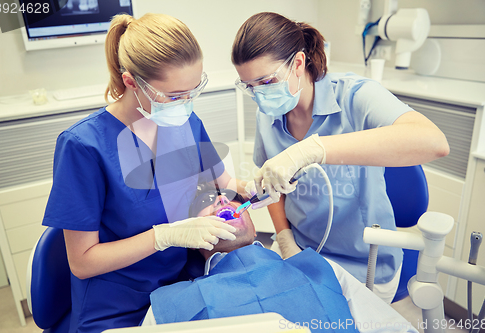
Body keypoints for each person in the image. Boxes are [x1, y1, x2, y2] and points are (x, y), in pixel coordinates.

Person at [42, 13, 248, 333]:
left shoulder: (185, 122)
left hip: (182, 283)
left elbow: (224, 184)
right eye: (175, 96)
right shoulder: (83, 147)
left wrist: (255, 186)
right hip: (118, 306)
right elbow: (82, 263)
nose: (187, 104)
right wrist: (163, 236)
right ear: (131, 82)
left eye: (195, 90)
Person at [231, 12, 450, 303]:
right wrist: (284, 240)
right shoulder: (267, 114)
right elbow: (276, 189)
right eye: (250, 87)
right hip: (299, 249)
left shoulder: (354, 96)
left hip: (365, 263)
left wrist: (311, 150)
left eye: (266, 81)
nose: (259, 95)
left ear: (297, 63)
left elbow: (434, 142)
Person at [141, 185, 419, 333]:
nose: (224, 203)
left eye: (229, 198)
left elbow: (393, 328)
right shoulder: (169, 303)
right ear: (189, 232)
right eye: (206, 203)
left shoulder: (319, 268)